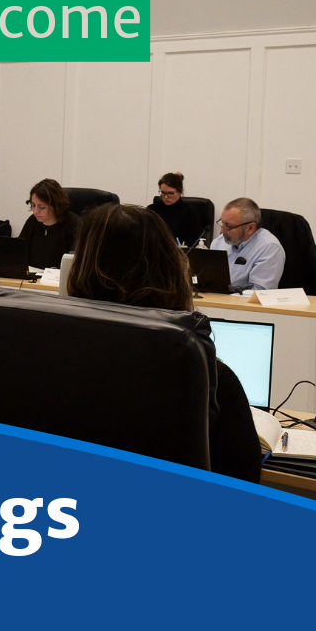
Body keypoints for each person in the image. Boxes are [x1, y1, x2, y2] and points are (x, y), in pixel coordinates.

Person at [67, 203, 263, 482]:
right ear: (172, 269)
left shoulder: (47, 353)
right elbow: (244, 482)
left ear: (77, 268)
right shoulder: (205, 375)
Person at [0, 178, 79, 268]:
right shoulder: (33, 221)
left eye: (41, 207)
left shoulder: (73, 224)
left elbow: (76, 261)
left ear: (55, 205)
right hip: (32, 281)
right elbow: (15, 252)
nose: (35, 211)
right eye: (33, 205)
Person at [210, 197, 286, 290]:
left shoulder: (269, 247)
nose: (222, 230)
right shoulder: (219, 242)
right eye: (222, 223)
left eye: (228, 226)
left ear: (251, 228)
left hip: (243, 303)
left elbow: (260, 293)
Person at [147, 171, 204, 247]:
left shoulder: (189, 212)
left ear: (180, 192)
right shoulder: (152, 210)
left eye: (170, 193)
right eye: (163, 193)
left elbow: (193, 242)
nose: (166, 197)